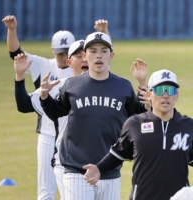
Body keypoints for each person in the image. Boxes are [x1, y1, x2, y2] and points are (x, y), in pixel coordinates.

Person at [3, 15, 110, 200]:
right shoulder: (58, 81)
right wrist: (19, 76)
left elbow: (105, 56)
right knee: (47, 191)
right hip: (50, 137)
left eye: (71, 52)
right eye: (61, 53)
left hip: (84, 143)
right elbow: (16, 56)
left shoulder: (96, 78)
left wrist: (102, 33)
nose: (63, 56)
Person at [40, 31, 150, 200]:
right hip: (77, 170)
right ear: (84, 55)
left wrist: (142, 84)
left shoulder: (123, 87)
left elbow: (140, 117)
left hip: (110, 169)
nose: (98, 55)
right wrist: (45, 96)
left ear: (111, 55)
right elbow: (55, 112)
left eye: (103, 51)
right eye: (93, 51)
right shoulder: (71, 86)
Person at [83, 69, 193, 200]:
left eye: (170, 90)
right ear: (148, 94)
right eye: (159, 90)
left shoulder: (189, 126)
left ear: (177, 95)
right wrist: (99, 169)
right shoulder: (134, 124)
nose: (165, 95)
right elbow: (118, 153)